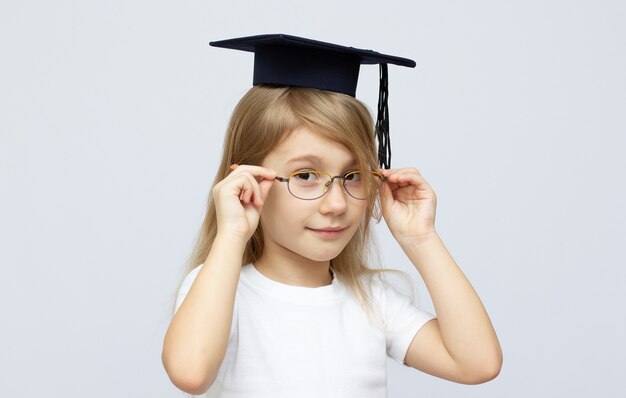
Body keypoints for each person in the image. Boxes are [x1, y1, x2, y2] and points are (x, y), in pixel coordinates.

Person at [162, 34, 502, 397]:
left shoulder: (370, 299)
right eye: (306, 176)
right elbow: (191, 372)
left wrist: (421, 239)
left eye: (353, 176)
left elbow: (477, 363)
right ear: (247, 182)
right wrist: (232, 235)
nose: (337, 204)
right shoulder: (221, 288)